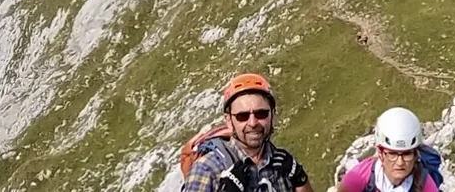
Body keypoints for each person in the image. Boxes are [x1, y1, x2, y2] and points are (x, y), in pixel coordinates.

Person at [182, 73, 315, 192]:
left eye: (261, 114)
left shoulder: (283, 163)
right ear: (229, 120)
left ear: (272, 116)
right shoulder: (207, 169)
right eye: (242, 116)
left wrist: (300, 178)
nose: (253, 123)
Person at [337, 107, 439, 192]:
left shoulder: (425, 185)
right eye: (392, 154)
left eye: (407, 154)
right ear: (380, 154)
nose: (400, 162)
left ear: (416, 155)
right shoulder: (359, 178)